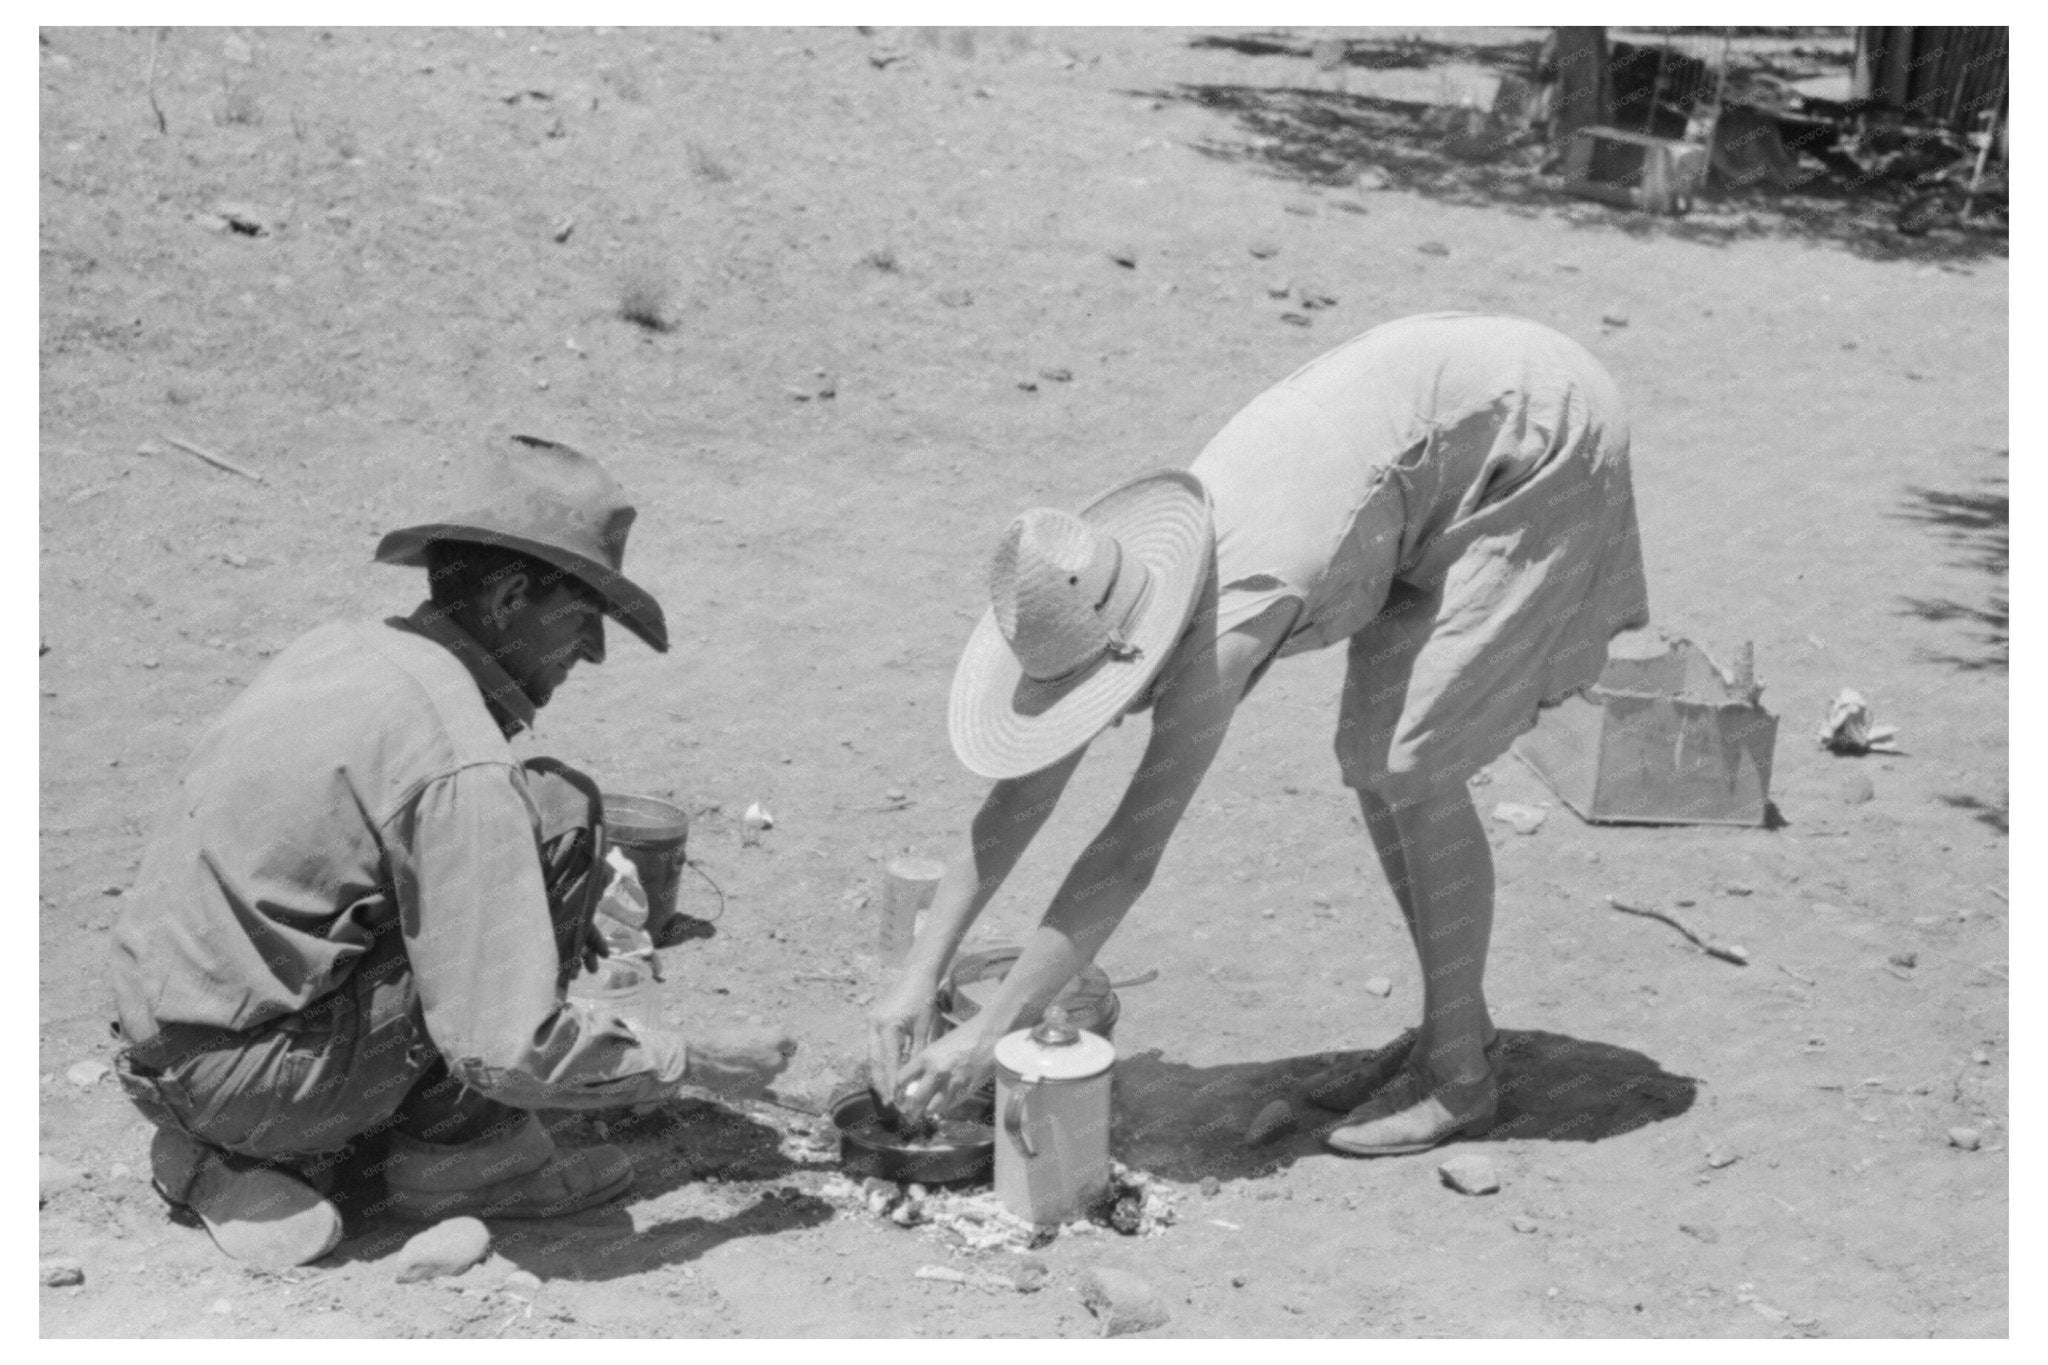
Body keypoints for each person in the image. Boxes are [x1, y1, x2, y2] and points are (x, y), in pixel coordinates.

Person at [868, 313, 1650, 1157]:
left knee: (1410, 765)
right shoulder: (1111, 587)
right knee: (1374, 759)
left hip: (1534, 437)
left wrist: (992, 1031)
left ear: (1136, 648)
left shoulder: (1224, 627)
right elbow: (1025, 789)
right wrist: (917, 976)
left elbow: (1132, 845)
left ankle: (1459, 1075)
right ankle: (1450, 1033)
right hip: (1434, 450)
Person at [109, 435, 797, 1270]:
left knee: (548, 807)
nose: (592, 652)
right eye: (582, 619)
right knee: (552, 821)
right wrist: (696, 1059)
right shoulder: (459, 758)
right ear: (510, 597)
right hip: (253, 1082)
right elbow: (503, 1046)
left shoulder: (343, 649)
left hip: (160, 1057)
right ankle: (459, 1159)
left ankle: (232, 1158)